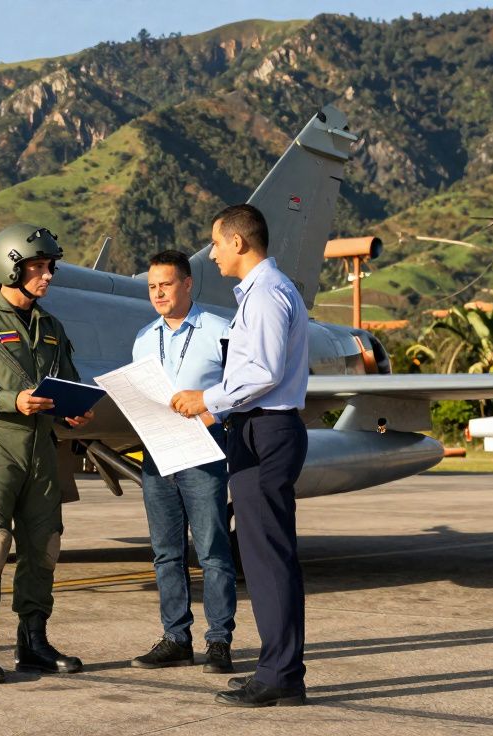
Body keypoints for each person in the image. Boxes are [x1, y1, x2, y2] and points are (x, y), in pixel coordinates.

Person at [0, 223, 94, 684]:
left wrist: (74, 411)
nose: (47, 276)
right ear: (11, 268)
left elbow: (67, 378)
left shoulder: (51, 326)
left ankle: (34, 642)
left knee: (45, 546)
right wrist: (13, 401)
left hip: (42, 452)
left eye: (49, 267)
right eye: (37, 268)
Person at [171, 204, 309, 707]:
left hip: (267, 431)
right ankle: (281, 670)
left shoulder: (268, 295)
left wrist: (207, 399)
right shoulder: (261, 293)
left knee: (267, 557)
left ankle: (279, 675)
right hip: (257, 427)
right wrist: (219, 408)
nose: (211, 252)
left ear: (239, 242)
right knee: (265, 555)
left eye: (215, 242)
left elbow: (265, 371)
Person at [129, 250, 237, 674]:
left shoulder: (218, 330)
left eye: (166, 284)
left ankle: (219, 641)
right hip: (157, 451)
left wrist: (214, 414)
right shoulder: (143, 338)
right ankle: (176, 637)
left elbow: (238, 387)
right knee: (165, 553)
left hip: (202, 448)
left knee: (212, 551)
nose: (158, 293)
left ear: (188, 284)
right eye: (152, 286)